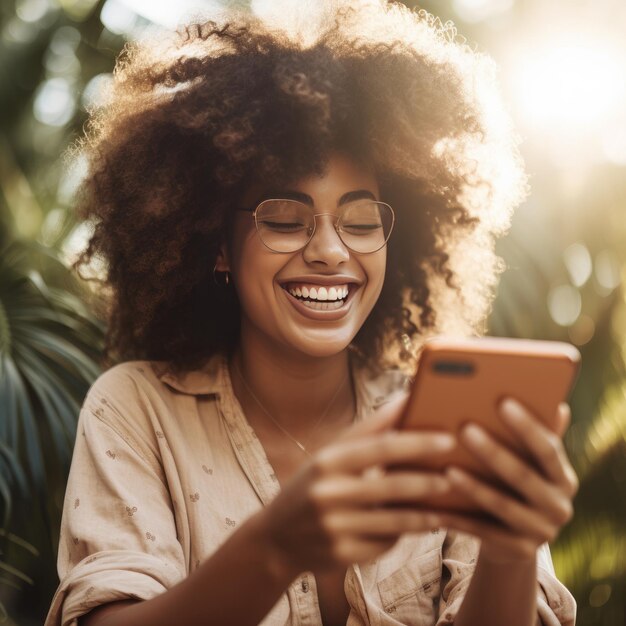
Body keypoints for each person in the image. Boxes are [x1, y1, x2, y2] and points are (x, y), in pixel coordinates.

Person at [45, 1, 578, 625]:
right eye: (283, 219)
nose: (330, 252)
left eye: (359, 220)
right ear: (216, 242)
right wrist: (275, 546)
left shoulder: (448, 425)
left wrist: (511, 548)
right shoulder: (136, 410)